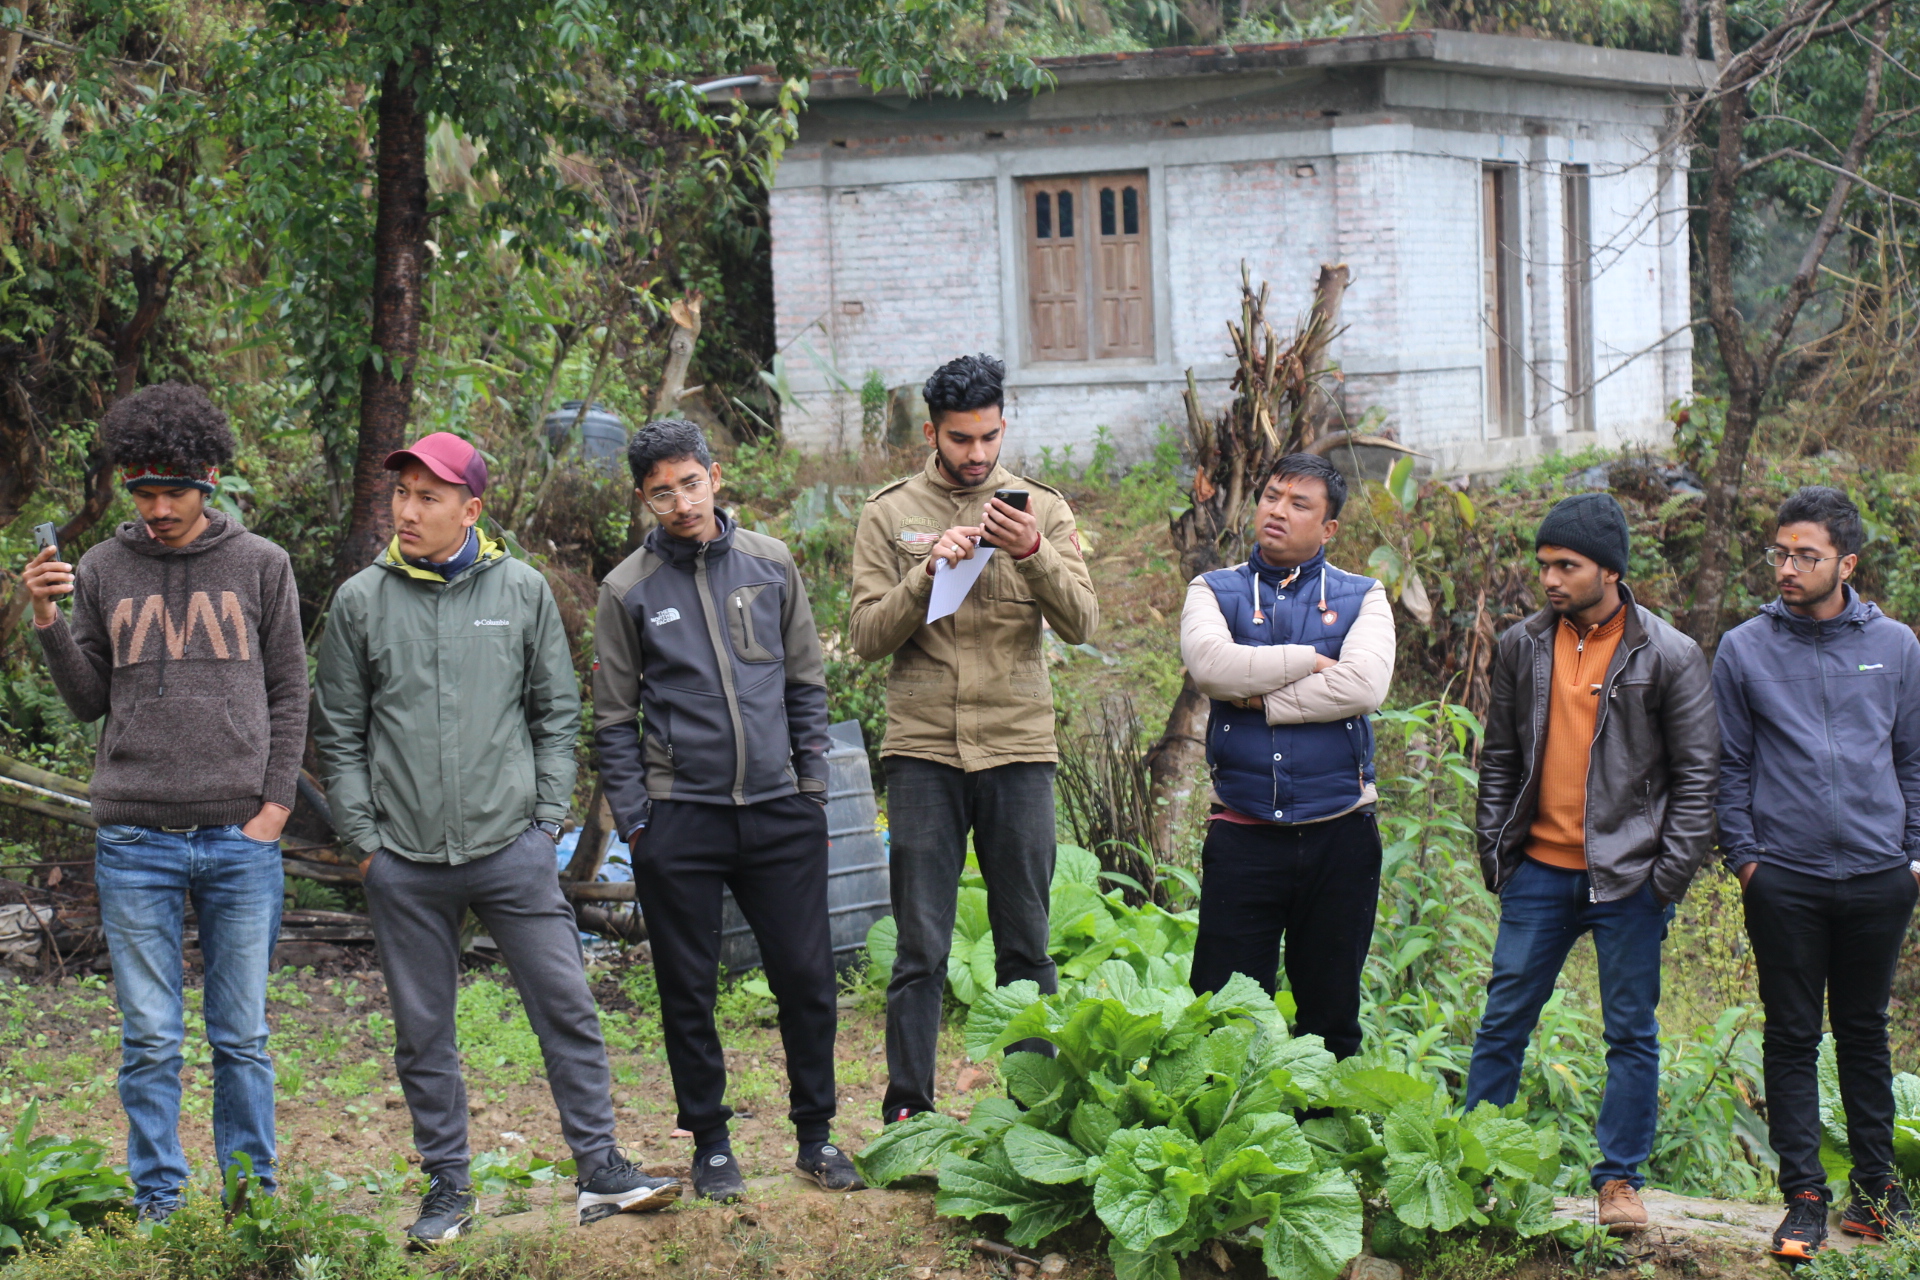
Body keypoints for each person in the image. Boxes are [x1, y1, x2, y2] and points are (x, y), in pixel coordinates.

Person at [312, 431, 677, 1247]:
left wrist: (545, 820)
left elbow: (555, 713)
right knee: (423, 1032)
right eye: (401, 494)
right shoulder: (361, 602)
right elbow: (337, 731)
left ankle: (600, 1171)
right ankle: (447, 1189)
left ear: (470, 509)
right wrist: (365, 841)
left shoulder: (521, 591)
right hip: (403, 861)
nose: (407, 511)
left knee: (567, 1008)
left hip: (510, 851)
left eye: (428, 497)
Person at [20, 383, 307, 1219]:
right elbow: (85, 700)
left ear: (210, 480)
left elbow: (292, 692)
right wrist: (44, 615)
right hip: (134, 838)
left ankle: (251, 1200)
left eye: (172, 491)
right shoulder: (106, 569)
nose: (155, 508)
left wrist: (273, 812)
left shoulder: (262, 566)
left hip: (239, 838)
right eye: (141, 491)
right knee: (149, 1039)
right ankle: (161, 1205)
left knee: (241, 1038)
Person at [592, 418, 859, 1201]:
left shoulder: (770, 564)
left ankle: (816, 1136)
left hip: (780, 812)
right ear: (643, 498)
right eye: (660, 492)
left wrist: (812, 793)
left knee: (807, 978)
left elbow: (806, 685)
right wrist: (642, 826)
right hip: (683, 819)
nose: (679, 502)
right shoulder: (626, 590)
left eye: (690, 482)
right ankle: (710, 1144)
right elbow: (612, 720)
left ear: (716, 475)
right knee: (688, 987)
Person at [848, 353, 1099, 1125]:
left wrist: (1033, 551)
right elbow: (863, 636)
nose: (978, 454)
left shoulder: (1043, 510)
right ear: (932, 431)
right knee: (920, 947)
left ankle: (1036, 1111)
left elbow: (1083, 624)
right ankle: (908, 1114)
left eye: (989, 436)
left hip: (1019, 746)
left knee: (1026, 942)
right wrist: (926, 572)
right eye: (961, 439)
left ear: (1002, 426)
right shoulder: (887, 515)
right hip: (923, 748)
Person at [1467, 493, 1718, 1233]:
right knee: (1504, 1016)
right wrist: (1497, 852)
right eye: (1543, 564)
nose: (1548, 577)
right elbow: (1502, 758)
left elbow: (1698, 778)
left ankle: (1619, 1182)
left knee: (1630, 1031)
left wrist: (1664, 879)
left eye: (1565, 565)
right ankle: (1473, 1160)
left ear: (1608, 569)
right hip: (1539, 871)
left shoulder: (1667, 654)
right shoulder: (1522, 645)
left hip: (1630, 877)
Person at [1712, 486, 1920, 1261]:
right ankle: (1803, 1199)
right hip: (1785, 876)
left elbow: (1914, 758)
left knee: (1865, 1031)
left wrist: (1914, 857)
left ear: (1847, 563)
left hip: (1879, 874)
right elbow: (1729, 765)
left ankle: (1876, 1194)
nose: (1788, 568)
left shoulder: (1896, 647)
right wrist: (1748, 861)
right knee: (1793, 1035)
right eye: (1780, 553)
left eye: (1807, 555)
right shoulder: (1744, 649)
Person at [1178, 453, 1394, 1054]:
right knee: (1222, 1012)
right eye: (1271, 496)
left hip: (1340, 836)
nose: (1278, 511)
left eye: (1300, 504)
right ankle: (1225, 1136)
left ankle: (1326, 1138)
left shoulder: (1364, 596)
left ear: (1328, 529)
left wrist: (1259, 700)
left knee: (1330, 1015)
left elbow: (1364, 686)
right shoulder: (1212, 589)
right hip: (1243, 834)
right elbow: (1212, 667)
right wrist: (1305, 659)